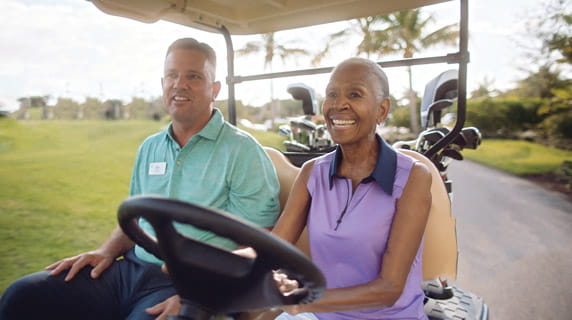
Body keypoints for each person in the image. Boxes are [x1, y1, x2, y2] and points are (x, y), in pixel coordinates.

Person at [0, 38, 280, 320]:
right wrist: (105, 251)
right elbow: (136, 220)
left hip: (192, 283)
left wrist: (202, 290)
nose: (179, 84)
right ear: (162, 84)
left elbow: (259, 243)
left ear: (214, 89)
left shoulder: (243, 151)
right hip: (130, 270)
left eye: (194, 76)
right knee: (23, 295)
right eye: (172, 75)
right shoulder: (151, 147)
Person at [271, 57, 432, 320]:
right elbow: (274, 248)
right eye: (331, 94)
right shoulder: (312, 172)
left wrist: (304, 299)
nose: (338, 104)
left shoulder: (413, 177)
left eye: (354, 94)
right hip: (321, 314)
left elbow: (389, 289)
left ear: (382, 110)